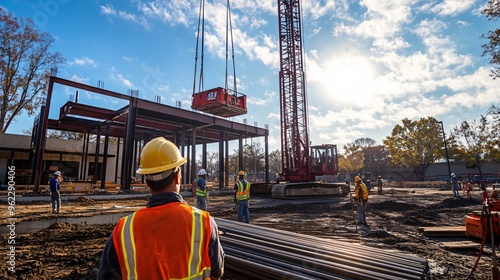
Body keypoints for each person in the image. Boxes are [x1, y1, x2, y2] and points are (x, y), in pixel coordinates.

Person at [98, 137, 224, 280]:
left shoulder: (124, 229)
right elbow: (217, 271)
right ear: (178, 177)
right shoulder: (204, 223)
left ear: (147, 182)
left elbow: (106, 276)